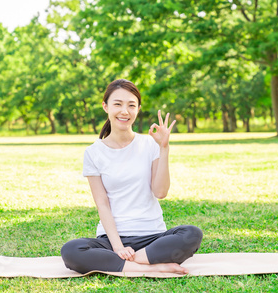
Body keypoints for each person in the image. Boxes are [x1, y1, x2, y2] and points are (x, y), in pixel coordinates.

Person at [61, 79, 202, 274]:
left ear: (138, 109)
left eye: (131, 105)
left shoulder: (150, 144)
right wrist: (118, 247)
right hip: (112, 239)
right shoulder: (93, 152)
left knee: (192, 234)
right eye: (117, 104)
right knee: (71, 251)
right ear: (105, 106)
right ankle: (153, 266)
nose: (124, 111)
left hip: (152, 237)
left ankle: (131, 263)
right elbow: (102, 204)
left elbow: (160, 192)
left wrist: (164, 148)